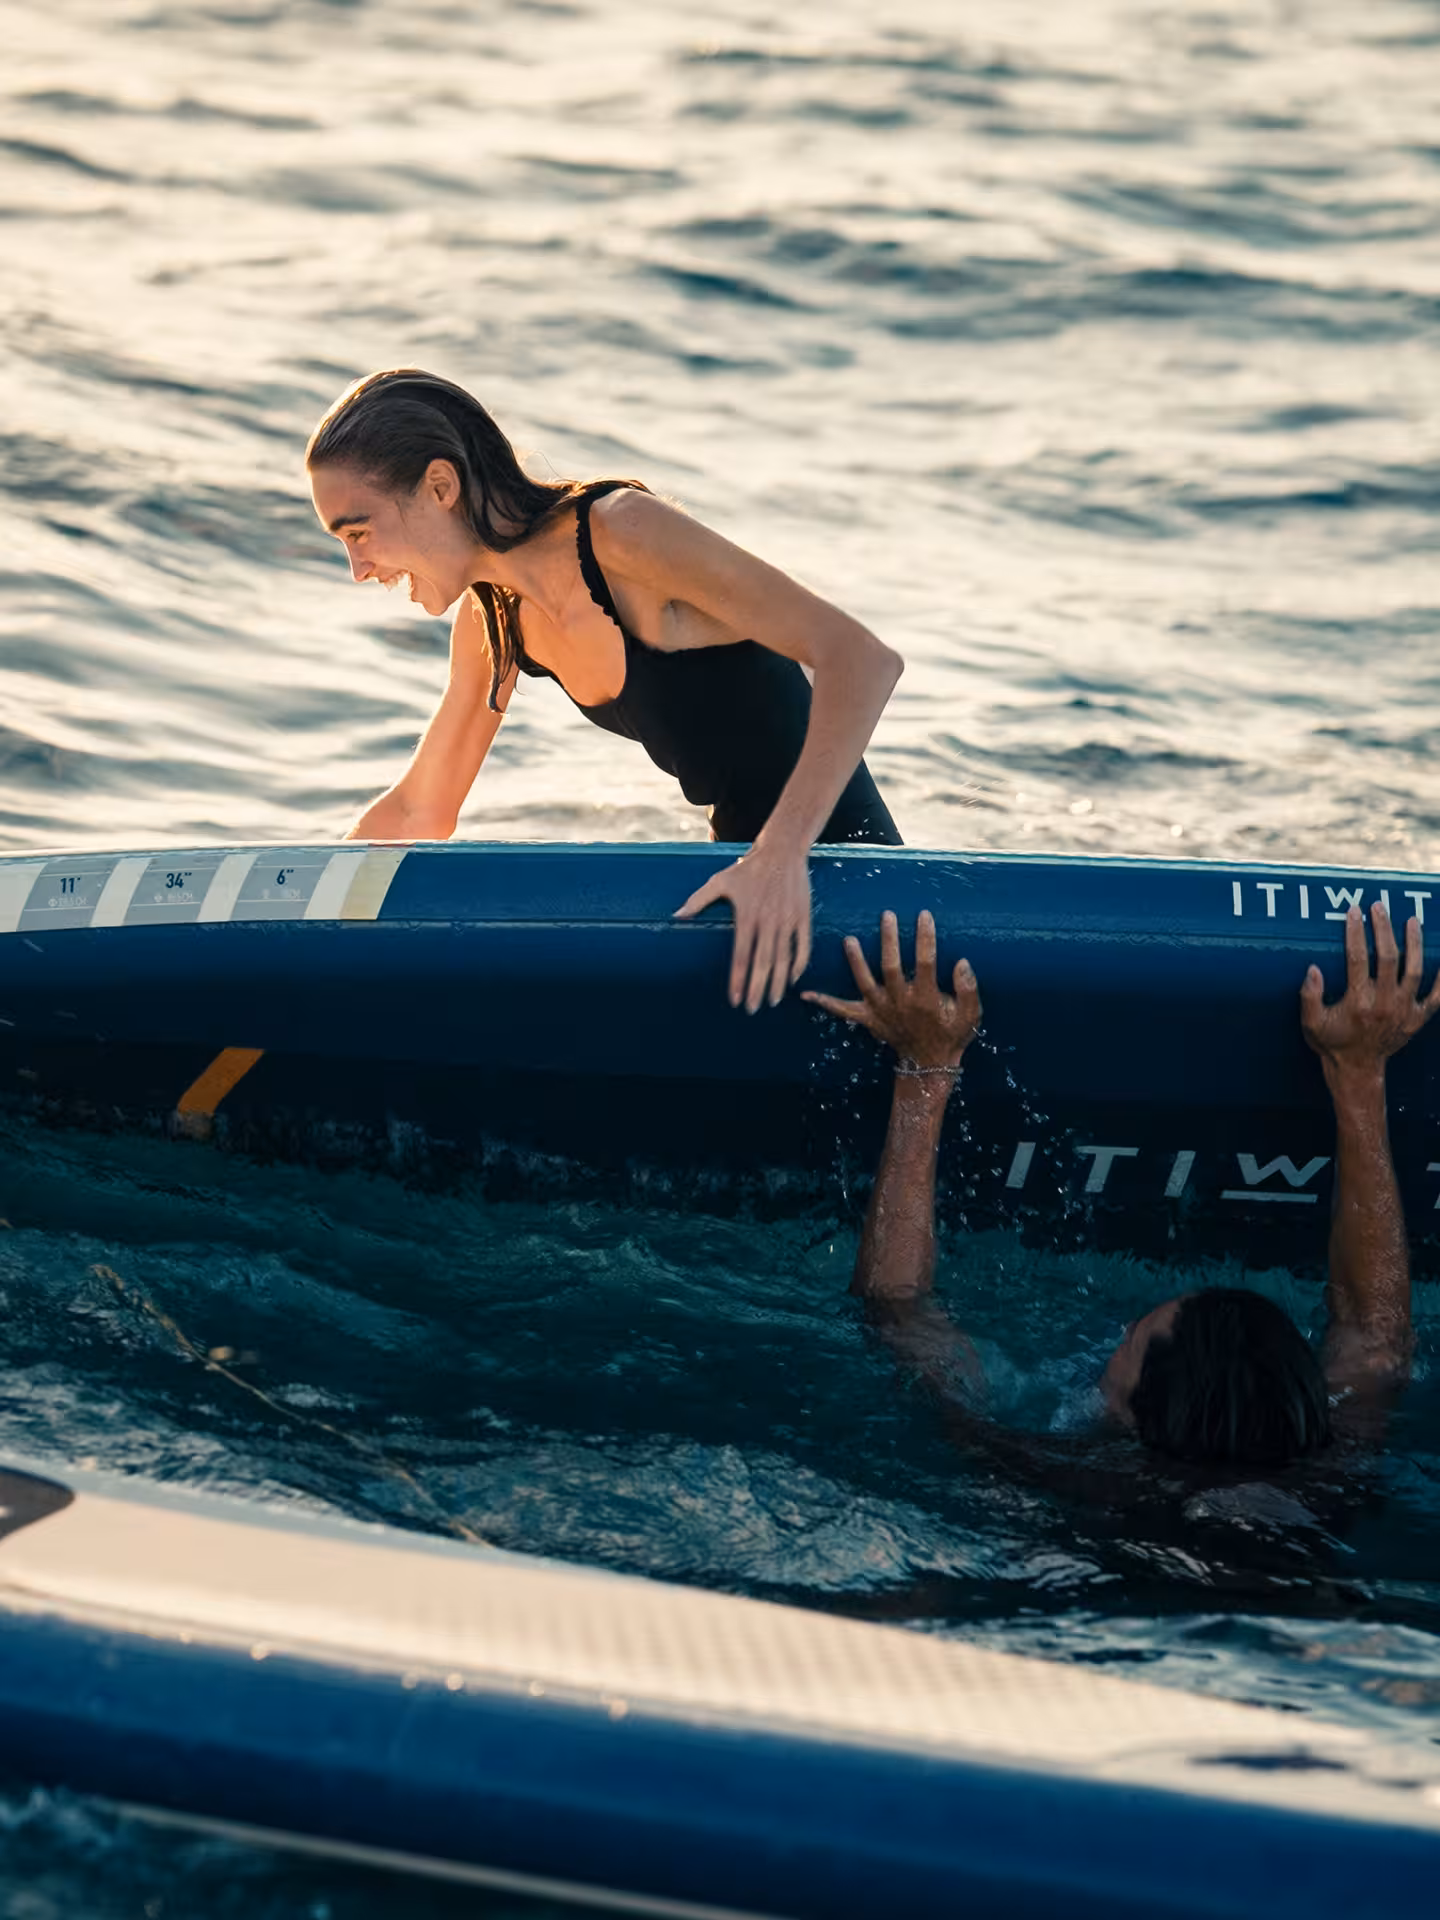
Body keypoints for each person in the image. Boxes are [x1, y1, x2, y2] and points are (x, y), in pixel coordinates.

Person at [306, 369, 904, 1014]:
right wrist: (298, 912)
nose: (358, 569)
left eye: (358, 533)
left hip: (861, 888)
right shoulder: (495, 618)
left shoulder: (622, 533)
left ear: (440, 487)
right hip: (746, 887)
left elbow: (862, 660)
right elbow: (419, 810)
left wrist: (781, 855)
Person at [803, 900, 1439, 1470]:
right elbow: (1376, 1344)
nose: (1123, 1328)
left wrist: (925, 1068)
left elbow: (894, 1307)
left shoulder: (1047, 1479)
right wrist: (1359, 1071)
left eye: (1128, 1343)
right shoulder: (1325, 1470)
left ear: (1130, 1418)